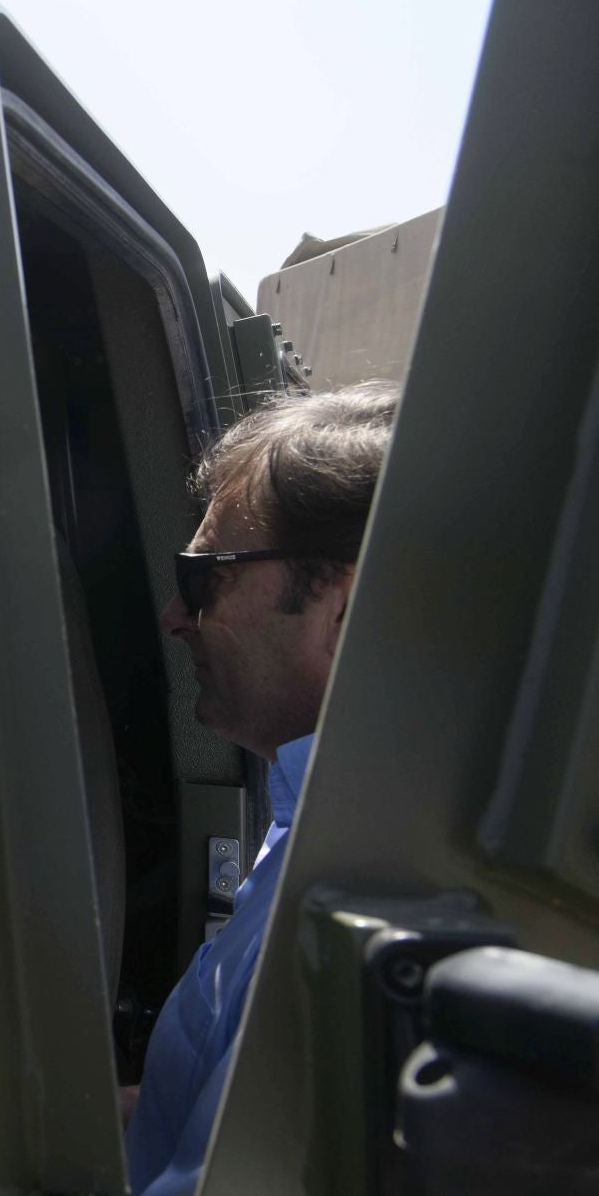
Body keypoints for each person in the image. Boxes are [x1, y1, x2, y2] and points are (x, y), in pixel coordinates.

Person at [126, 381, 399, 1196]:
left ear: (344, 609)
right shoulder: (314, 817)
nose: (177, 615)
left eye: (204, 576)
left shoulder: (364, 892)